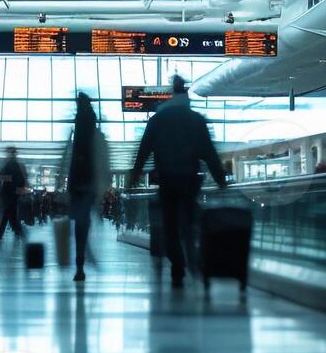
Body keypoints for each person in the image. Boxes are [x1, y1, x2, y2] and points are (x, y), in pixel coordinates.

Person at [128, 76, 227, 288]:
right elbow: (209, 152)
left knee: (170, 226)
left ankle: (178, 264)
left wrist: (134, 176)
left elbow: (144, 149)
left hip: (168, 180)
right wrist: (220, 179)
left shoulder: (157, 120)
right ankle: (194, 255)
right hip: (190, 180)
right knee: (191, 220)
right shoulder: (196, 119)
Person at [58, 93, 111, 282]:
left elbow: (66, 159)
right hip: (89, 184)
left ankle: (81, 261)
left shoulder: (75, 134)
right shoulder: (96, 134)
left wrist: (61, 185)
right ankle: (83, 258)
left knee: (79, 224)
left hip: (76, 183)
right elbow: (103, 160)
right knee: (83, 222)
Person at [0, 146, 28, 248]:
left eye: (9, 152)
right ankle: (19, 232)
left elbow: (5, 176)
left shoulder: (11, 164)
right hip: (12, 194)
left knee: (5, 215)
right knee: (11, 216)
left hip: (8, 194)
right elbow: (20, 180)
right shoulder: (14, 164)